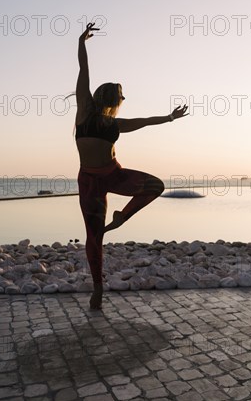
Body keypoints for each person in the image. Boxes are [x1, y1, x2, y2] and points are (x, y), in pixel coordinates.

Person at [75, 22, 188, 309]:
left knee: (155, 186)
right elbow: (83, 72)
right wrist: (81, 43)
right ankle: (98, 288)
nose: (124, 102)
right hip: (91, 182)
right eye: (122, 98)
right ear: (114, 100)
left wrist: (170, 118)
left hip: (113, 175)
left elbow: (147, 121)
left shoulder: (109, 121)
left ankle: (122, 217)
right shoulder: (87, 111)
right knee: (94, 236)